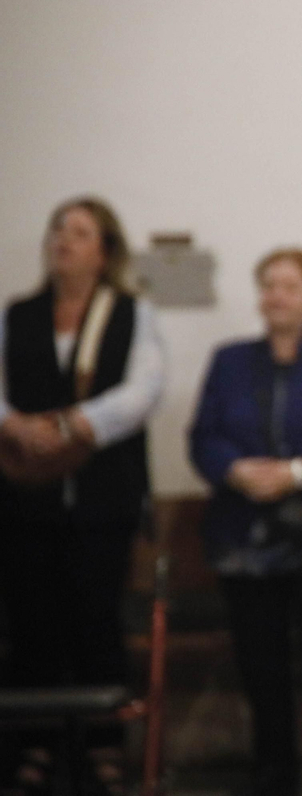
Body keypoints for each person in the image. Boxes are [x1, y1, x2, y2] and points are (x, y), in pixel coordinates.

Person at [189, 248, 302, 796]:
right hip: (247, 537)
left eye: (290, 286)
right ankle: (272, 775)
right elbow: (204, 436)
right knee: (261, 669)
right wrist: (237, 470)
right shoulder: (230, 359)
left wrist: (295, 472)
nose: (277, 296)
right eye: (268, 285)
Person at [0, 197, 166, 796]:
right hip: (26, 497)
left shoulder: (130, 313)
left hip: (102, 498)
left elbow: (143, 389)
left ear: (105, 250)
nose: (63, 241)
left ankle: (102, 746)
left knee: (97, 619)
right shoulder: (19, 314)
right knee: (31, 621)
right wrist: (17, 426)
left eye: (79, 232)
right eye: (57, 230)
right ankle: (35, 746)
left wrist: (71, 426)